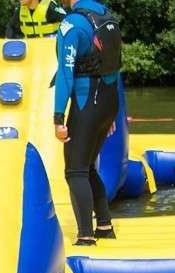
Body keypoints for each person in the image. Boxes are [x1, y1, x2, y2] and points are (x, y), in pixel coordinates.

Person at [54, 0, 122, 245]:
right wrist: (111, 115)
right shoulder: (106, 15)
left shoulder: (71, 24)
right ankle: (104, 226)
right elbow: (113, 68)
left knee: (75, 170)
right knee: (88, 167)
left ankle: (85, 236)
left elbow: (65, 73)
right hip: (109, 101)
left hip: (87, 103)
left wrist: (58, 118)